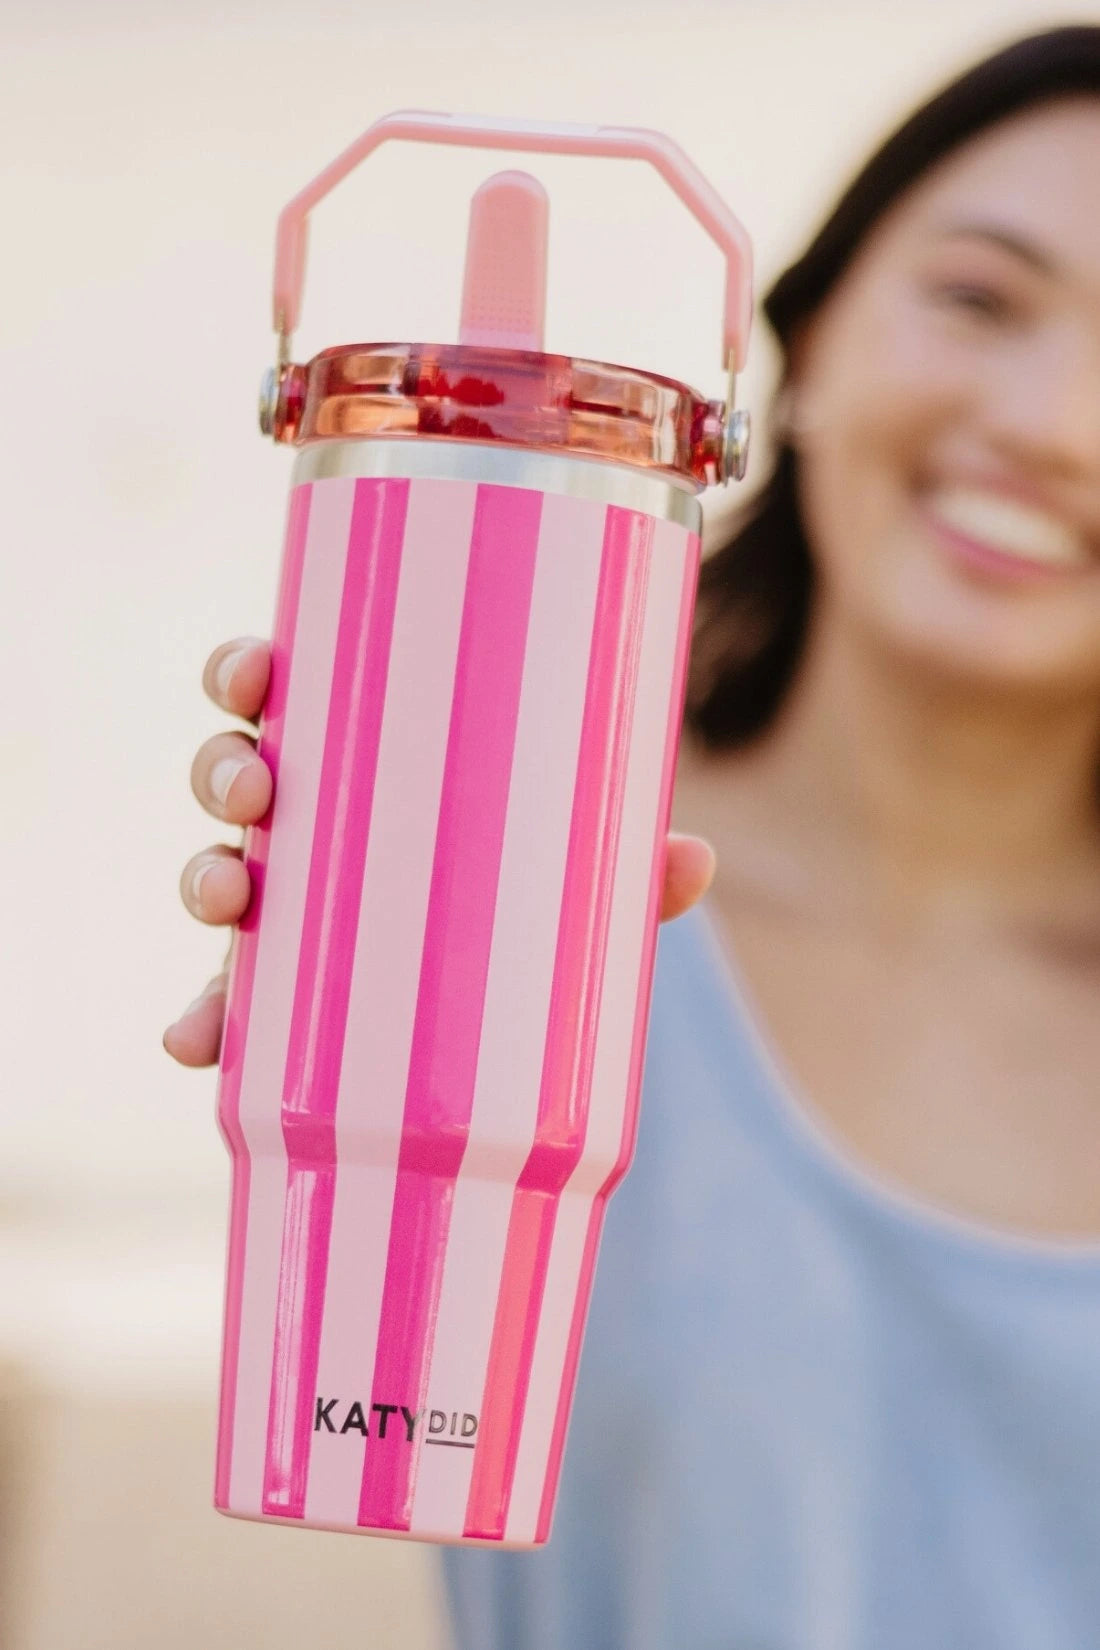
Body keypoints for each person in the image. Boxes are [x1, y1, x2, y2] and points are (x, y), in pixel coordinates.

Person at [164, 26, 1100, 1649]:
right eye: (978, 297)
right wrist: (328, 1028)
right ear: (801, 346)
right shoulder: (545, 876)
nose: (1055, 419)